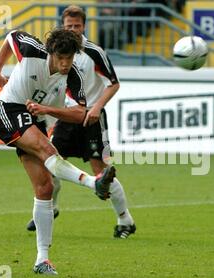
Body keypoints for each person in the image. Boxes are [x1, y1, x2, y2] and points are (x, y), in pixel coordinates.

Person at [0, 28, 116, 275]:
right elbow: (11, 35)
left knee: (45, 187)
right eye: (61, 58)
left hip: (36, 118)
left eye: (69, 58)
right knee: (46, 148)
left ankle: (42, 260)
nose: (65, 63)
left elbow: (80, 113)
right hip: (9, 108)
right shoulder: (30, 50)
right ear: (51, 53)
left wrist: (47, 110)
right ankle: (94, 183)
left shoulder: (73, 76)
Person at [25, 5, 136, 239]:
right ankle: (50, 208)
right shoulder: (56, 51)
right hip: (67, 116)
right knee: (50, 163)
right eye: (69, 26)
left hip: (92, 119)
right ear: (62, 26)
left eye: (77, 26)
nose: (73, 29)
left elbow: (113, 83)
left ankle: (125, 219)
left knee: (101, 171)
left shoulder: (93, 52)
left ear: (84, 26)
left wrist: (96, 107)